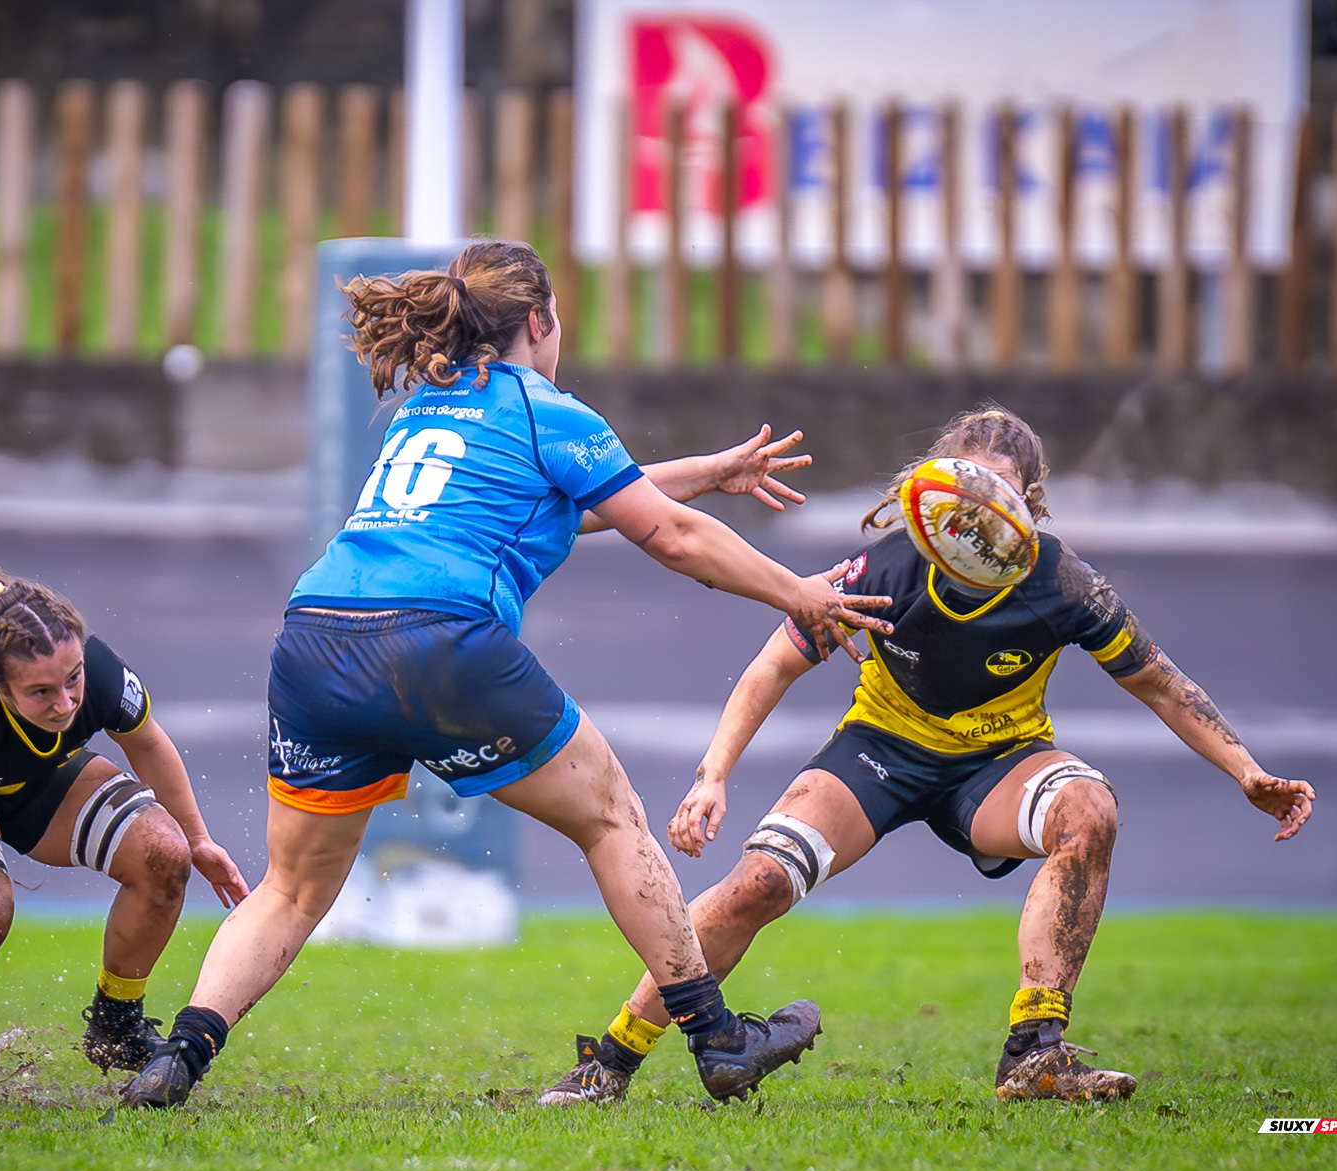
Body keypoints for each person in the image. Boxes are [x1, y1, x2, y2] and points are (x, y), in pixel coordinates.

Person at [121, 239, 894, 1109]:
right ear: (539, 322)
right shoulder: (546, 407)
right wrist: (801, 593)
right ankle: (717, 1040)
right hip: (437, 638)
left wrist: (706, 473)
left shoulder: (430, 405)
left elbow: (576, 496)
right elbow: (664, 534)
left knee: (293, 888)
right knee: (612, 819)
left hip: (317, 639)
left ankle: (175, 1060)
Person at [538, 407, 1316, 1106]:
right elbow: (774, 662)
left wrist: (1245, 769)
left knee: (1090, 811)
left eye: (999, 496)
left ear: (1031, 504)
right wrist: (712, 776)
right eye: (961, 492)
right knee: (758, 881)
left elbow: (1164, 684)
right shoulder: (886, 567)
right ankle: (609, 1062)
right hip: (879, 751)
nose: (975, 515)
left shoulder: (1062, 580)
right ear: (928, 491)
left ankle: (1034, 1053)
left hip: (998, 763)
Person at [0, 570, 249, 1099]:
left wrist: (200, 839)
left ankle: (115, 1025)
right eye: (41, 691)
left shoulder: (98, 669)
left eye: (73, 680)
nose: (66, 704)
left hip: (25, 772)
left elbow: (148, 745)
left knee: (165, 852)